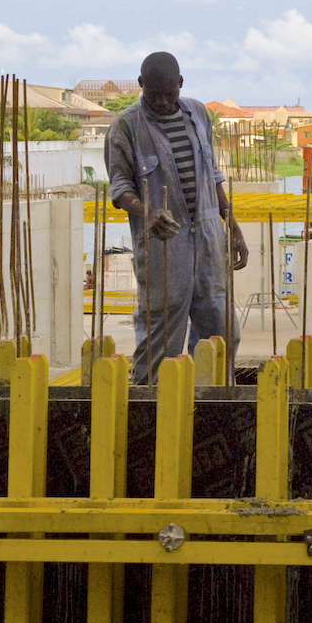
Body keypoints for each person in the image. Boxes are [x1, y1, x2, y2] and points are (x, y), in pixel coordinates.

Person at [106, 52, 248, 384]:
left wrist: (232, 225)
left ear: (180, 84)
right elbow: (120, 187)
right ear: (140, 85)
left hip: (208, 240)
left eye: (169, 94)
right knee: (161, 341)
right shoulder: (125, 126)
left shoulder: (198, 113)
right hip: (164, 246)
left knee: (222, 331)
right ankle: (150, 414)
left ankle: (209, 409)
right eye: (153, 95)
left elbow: (212, 176)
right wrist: (147, 211)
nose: (162, 102)